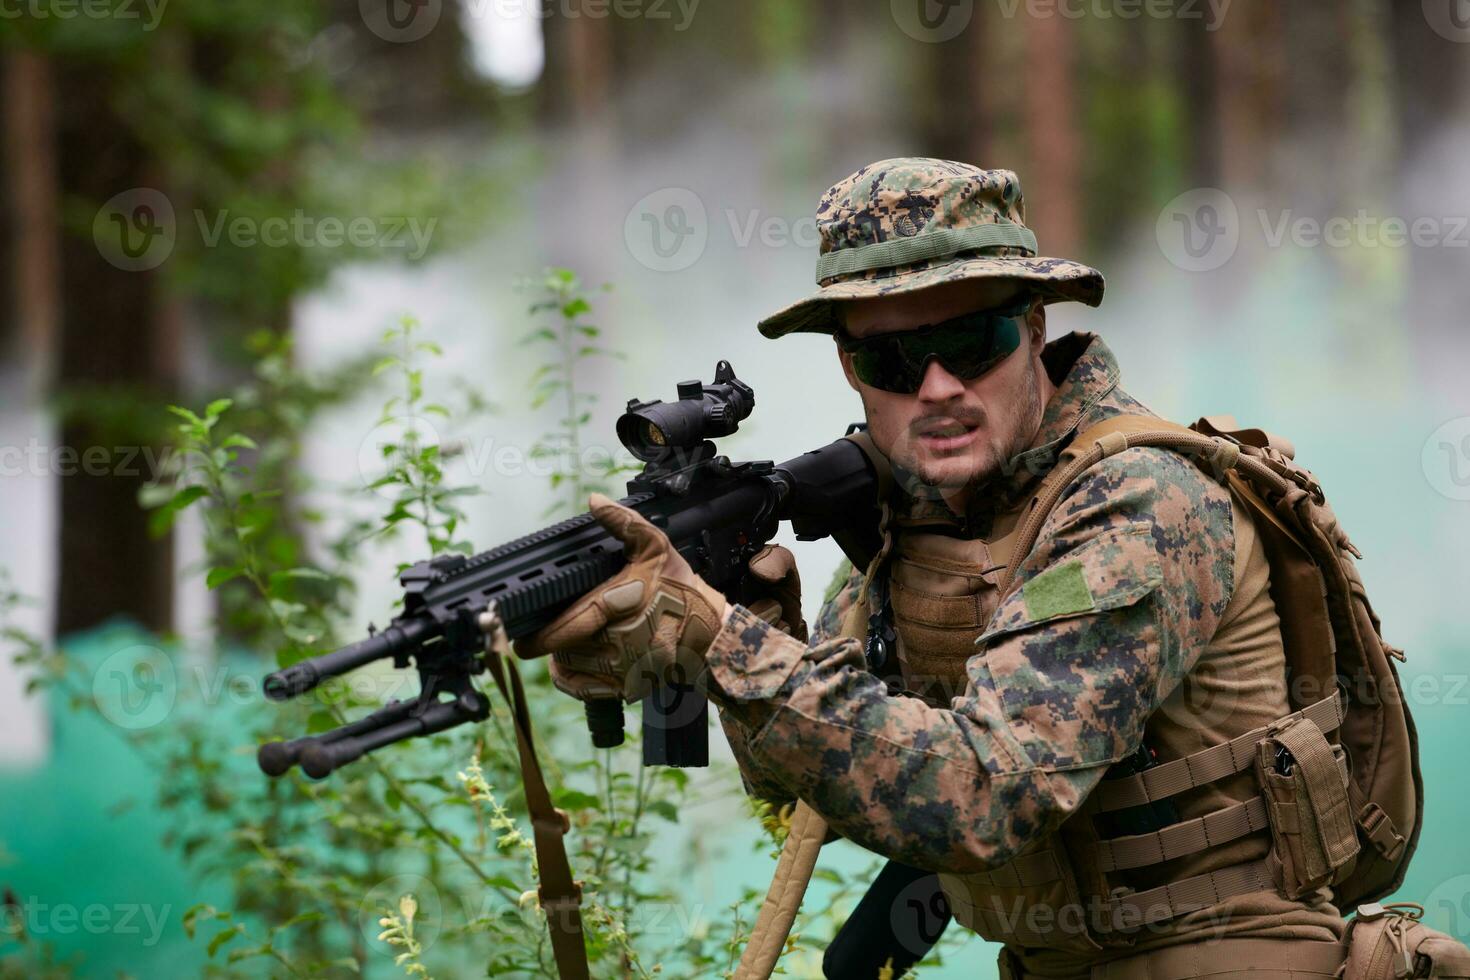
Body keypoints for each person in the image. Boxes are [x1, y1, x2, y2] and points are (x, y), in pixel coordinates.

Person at [518, 158, 1353, 979]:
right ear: (851, 369)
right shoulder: (924, 513)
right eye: (895, 362)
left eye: (970, 342)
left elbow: (986, 797)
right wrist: (742, 623)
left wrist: (722, 640)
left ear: (1033, 330)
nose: (939, 388)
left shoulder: (1141, 500)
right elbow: (818, 789)